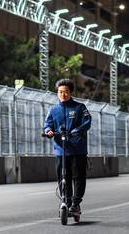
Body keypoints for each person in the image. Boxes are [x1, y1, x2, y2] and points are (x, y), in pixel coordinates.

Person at [43, 79, 92, 215]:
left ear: (70, 92)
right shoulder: (53, 110)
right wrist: (48, 131)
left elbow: (87, 122)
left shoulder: (80, 108)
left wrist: (77, 130)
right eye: (60, 92)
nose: (63, 94)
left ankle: (76, 203)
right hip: (61, 150)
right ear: (57, 93)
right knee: (63, 177)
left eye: (66, 92)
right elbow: (47, 124)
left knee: (78, 177)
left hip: (78, 149)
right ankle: (66, 200)